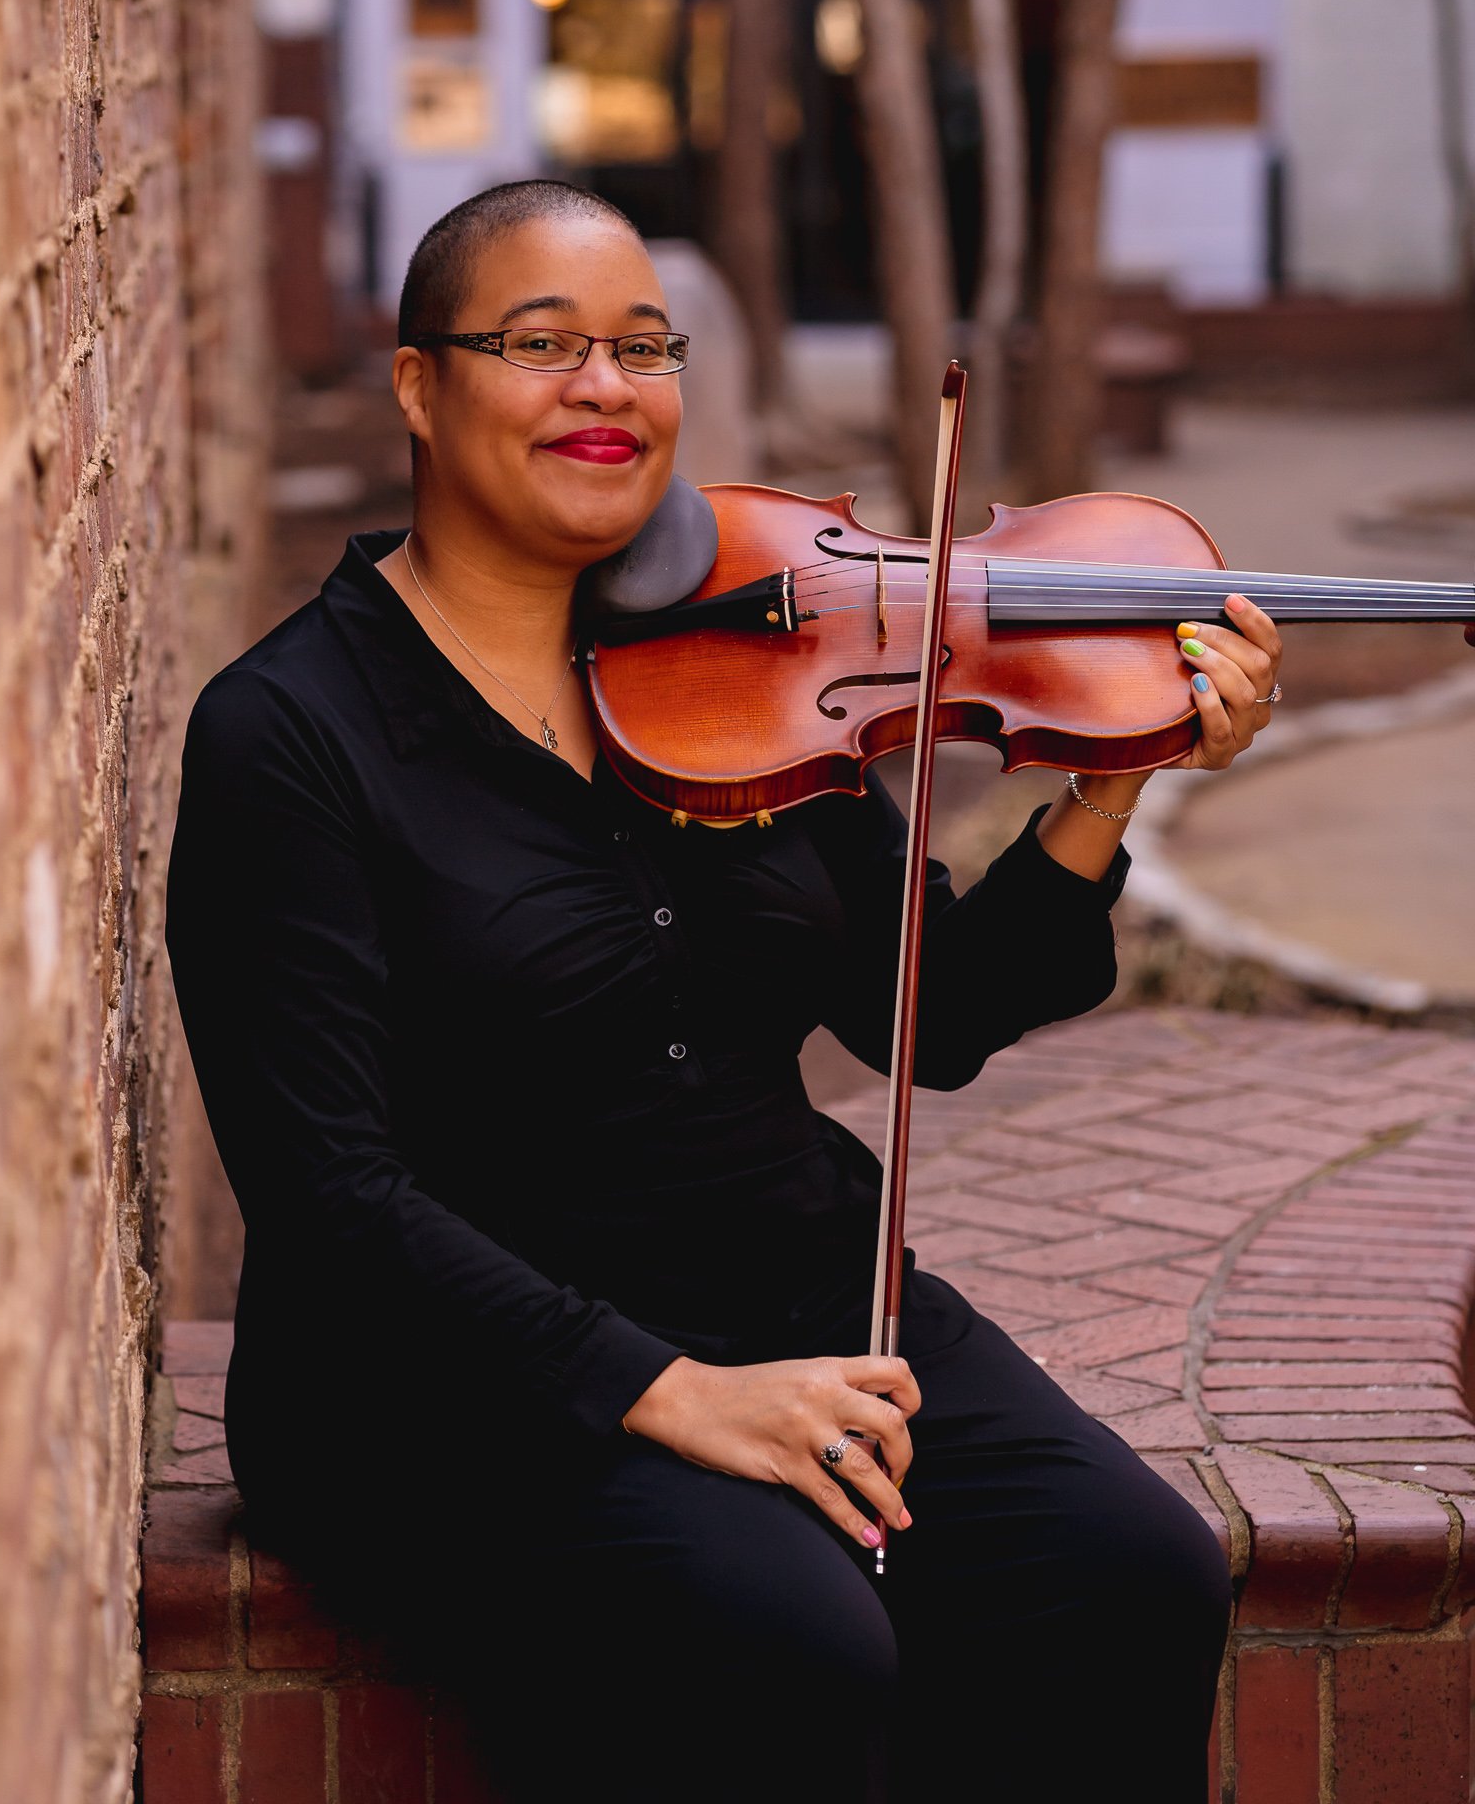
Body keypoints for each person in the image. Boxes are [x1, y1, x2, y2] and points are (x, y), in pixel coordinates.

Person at [164, 180, 1278, 1801]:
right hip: (443, 1379)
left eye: (642, 346)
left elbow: (939, 1010)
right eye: (541, 345)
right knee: (790, 1642)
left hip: (796, 1306)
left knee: (1132, 1576)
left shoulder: (753, 664)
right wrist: (673, 1396)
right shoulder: (290, 734)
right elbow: (329, 1192)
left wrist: (1117, 772)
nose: (606, 388)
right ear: (419, 383)